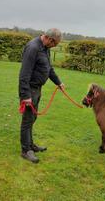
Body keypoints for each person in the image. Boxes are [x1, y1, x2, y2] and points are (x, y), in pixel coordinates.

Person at [19, 28, 65, 163]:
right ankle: (26, 150)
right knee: (27, 119)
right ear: (50, 39)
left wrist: (59, 82)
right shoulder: (33, 48)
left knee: (32, 118)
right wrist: (25, 95)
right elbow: (24, 74)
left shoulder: (45, 48)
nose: (54, 46)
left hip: (37, 89)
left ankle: (31, 144)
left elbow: (48, 68)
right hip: (29, 90)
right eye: (55, 44)